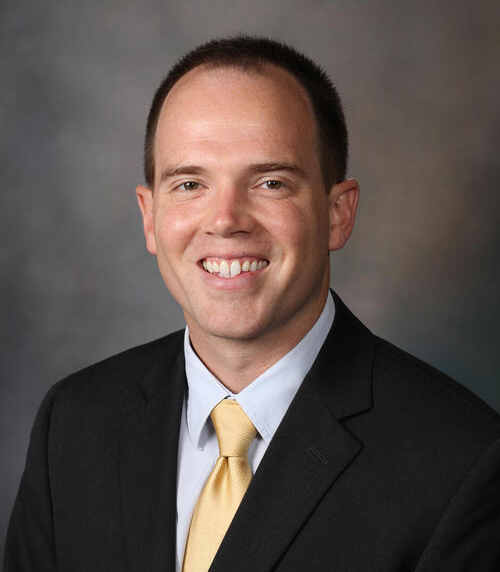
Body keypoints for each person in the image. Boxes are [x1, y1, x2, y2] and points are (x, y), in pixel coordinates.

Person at [4, 36, 500, 572]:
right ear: (149, 216)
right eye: (190, 184)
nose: (225, 220)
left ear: (337, 213)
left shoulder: (462, 461)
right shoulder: (74, 424)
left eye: (270, 182)